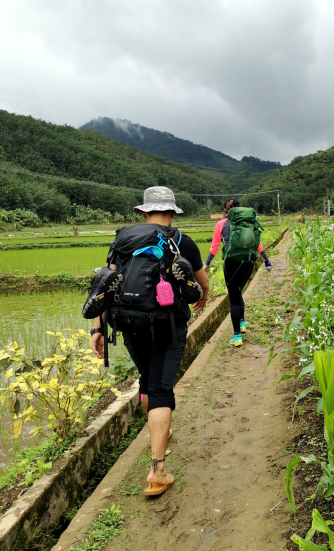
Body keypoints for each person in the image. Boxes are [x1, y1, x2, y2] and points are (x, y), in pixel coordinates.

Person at [90, 186, 209, 496]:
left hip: (128, 322)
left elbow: (107, 285)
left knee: (146, 381)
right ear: (172, 213)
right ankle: (157, 472)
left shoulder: (123, 239)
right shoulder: (182, 241)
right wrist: (203, 296)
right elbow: (202, 282)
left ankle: (160, 432)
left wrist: (98, 329)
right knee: (160, 390)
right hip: (168, 324)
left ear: (143, 212)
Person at [205, 199, 272, 347]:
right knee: (239, 291)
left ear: (226, 211)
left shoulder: (221, 224)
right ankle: (242, 323)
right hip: (248, 262)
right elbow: (257, 244)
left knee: (233, 298)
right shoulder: (248, 223)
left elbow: (215, 246)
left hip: (231, 263)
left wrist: (207, 264)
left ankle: (237, 336)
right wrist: (267, 260)